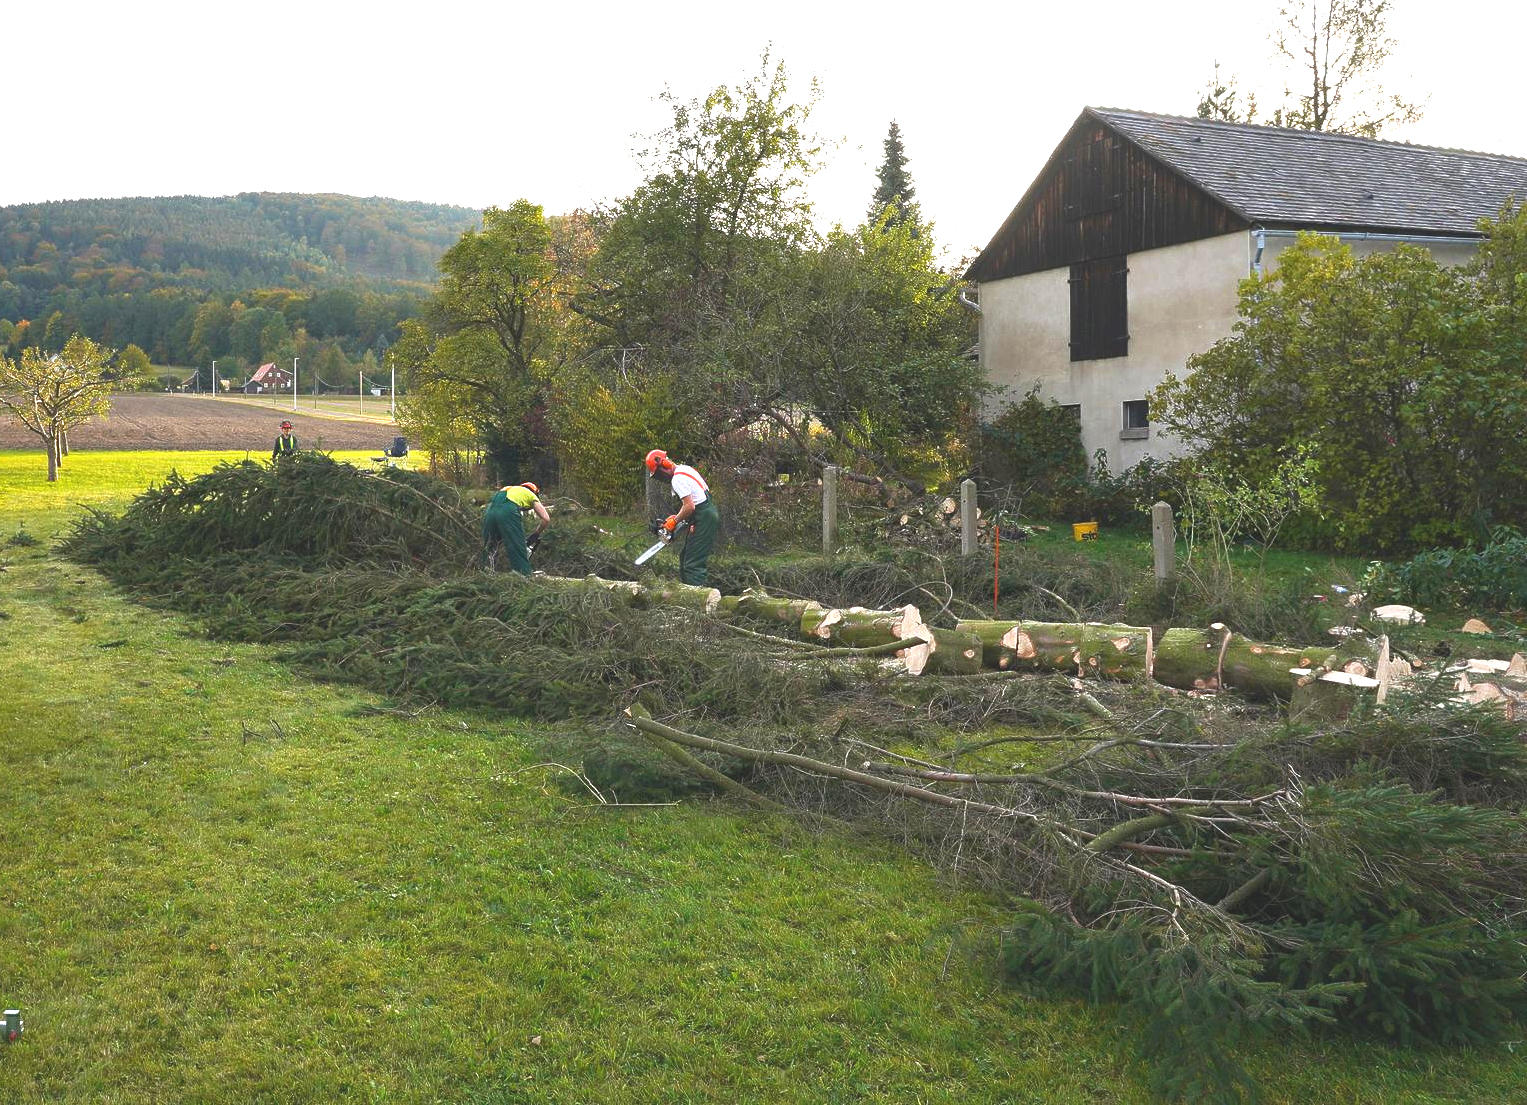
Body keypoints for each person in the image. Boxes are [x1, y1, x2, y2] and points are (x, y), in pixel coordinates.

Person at [645, 449, 719, 586]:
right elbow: (695, 502)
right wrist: (676, 518)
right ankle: (687, 592)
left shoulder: (677, 478)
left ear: (665, 464)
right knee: (685, 557)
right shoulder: (684, 469)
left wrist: (674, 521)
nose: (661, 478)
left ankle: (697, 596)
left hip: (703, 517)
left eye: (659, 474)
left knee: (692, 565)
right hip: (705, 513)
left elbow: (690, 506)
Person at [482, 481, 550, 576]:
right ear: (535, 492)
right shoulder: (531, 494)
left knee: (490, 543)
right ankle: (523, 574)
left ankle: (485, 570)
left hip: (490, 511)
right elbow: (546, 519)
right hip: (508, 510)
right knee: (516, 543)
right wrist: (536, 534)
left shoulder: (508, 489)